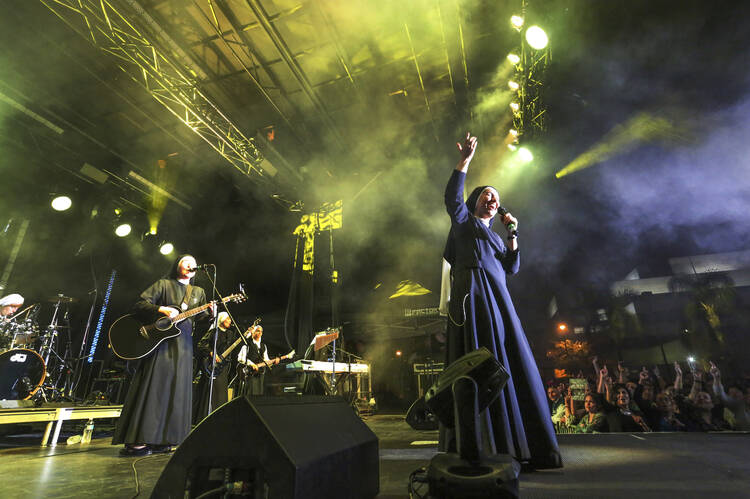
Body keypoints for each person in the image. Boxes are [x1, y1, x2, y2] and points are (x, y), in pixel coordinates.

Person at [441, 133, 562, 469]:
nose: (493, 200)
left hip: (499, 301)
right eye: (486, 195)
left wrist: (512, 233)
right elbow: (452, 198)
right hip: (474, 295)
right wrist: (465, 160)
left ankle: (518, 443)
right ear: (476, 202)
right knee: (478, 359)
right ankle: (479, 441)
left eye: (496, 197)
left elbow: (512, 267)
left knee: (509, 360)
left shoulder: (495, 236)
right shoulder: (465, 224)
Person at [113, 254, 210, 456]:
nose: (190, 264)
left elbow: (200, 318)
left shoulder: (199, 292)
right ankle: (138, 439)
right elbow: (140, 305)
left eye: (193, 262)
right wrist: (161, 309)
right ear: (178, 265)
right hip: (159, 343)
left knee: (177, 390)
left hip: (184, 345)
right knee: (155, 386)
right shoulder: (164, 284)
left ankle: (165, 438)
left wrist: (212, 313)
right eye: (185, 261)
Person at [194, 311, 234, 423]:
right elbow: (201, 344)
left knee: (221, 394)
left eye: (230, 319)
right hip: (211, 366)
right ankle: (204, 419)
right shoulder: (213, 331)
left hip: (223, 367)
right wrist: (212, 353)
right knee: (211, 392)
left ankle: (220, 419)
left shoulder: (230, 334)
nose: (229, 321)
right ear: (221, 320)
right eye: (227, 319)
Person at [237, 324, 278, 396]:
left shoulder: (263, 346)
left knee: (259, 394)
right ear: (253, 332)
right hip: (250, 374)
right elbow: (241, 358)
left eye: (261, 331)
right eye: (258, 331)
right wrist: (251, 364)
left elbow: (266, 360)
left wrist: (274, 361)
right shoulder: (247, 345)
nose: (260, 333)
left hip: (260, 374)